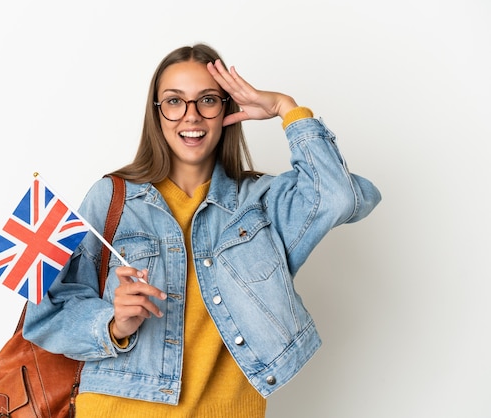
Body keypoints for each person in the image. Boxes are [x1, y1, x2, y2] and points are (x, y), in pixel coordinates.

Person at [23, 43, 381, 417]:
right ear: (157, 114)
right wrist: (112, 323)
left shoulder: (261, 201)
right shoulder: (110, 196)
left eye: (207, 100)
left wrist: (285, 109)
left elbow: (339, 196)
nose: (191, 117)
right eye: (175, 102)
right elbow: (45, 314)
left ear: (226, 108)